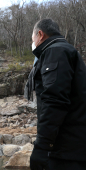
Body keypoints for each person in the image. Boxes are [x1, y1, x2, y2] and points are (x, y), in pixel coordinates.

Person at [28, 18, 86, 170]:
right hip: (72, 146)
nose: (32, 42)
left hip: (66, 151)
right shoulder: (64, 50)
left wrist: (42, 147)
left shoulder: (55, 51)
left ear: (40, 34)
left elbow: (54, 101)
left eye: (32, 37)